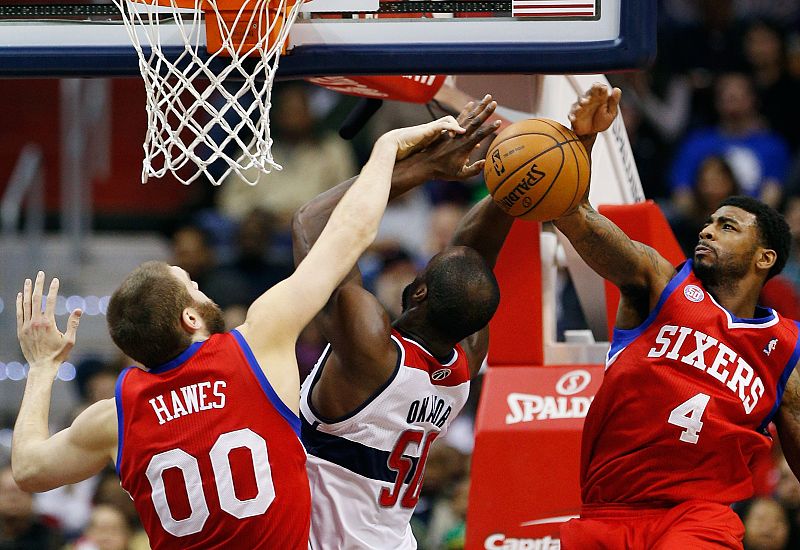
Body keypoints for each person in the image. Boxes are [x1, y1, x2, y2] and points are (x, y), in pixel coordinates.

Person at [10, 115, 467, 549]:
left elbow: (28, 468)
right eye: (190, 286)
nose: (198, 284)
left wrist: (42, 366)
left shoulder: (116, 418)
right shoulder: (257, 344)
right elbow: (349, 231)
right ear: (190, 319)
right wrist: (385, 148)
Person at [556, 83, 800, 549]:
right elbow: (576, 218)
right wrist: (579, 145)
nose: (707, 230)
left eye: (727, 226)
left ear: (765, 258)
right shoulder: (660, 283)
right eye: (709, 222)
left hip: (700, 516)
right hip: (606, 511)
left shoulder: (786, 349)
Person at [292, 95, 509, 549]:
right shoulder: (463, 367)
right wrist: (514, 182)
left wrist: (420, 167)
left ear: (420, 291)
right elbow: (475, 256)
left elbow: (312, 222)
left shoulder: (368, 347)